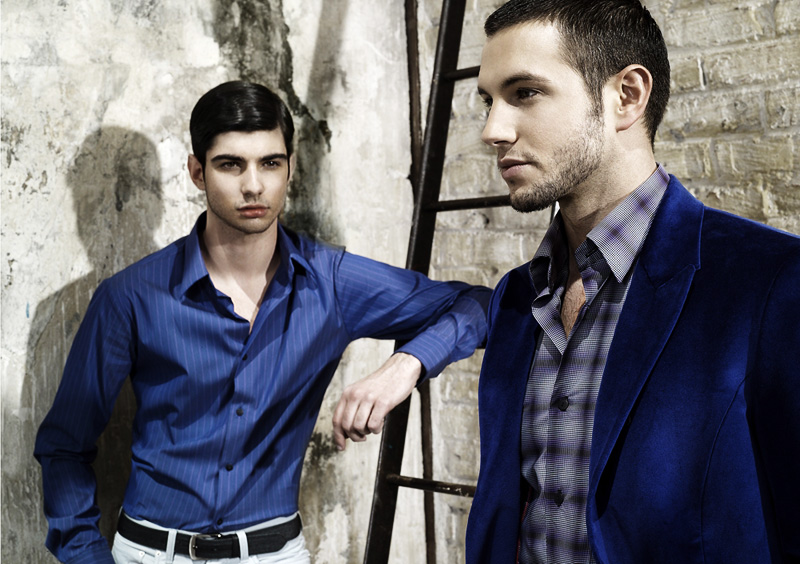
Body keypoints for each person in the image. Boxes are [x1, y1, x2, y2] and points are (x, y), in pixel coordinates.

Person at [35, 81, 490, 564]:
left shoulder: (332, 282)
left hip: (274, 553)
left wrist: (406, 364)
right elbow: (65, 446)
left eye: (270, 163)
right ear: (197, 172)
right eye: (231, 164)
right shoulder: (130, 296)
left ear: (290, 168)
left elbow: (483, 305)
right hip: (150, 552)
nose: (253, 185)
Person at [465, 1, 800, 563]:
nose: (492, 131)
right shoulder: (517, 297)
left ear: (627, 95)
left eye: (525, 93)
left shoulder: (768, 283)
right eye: (488, 101)